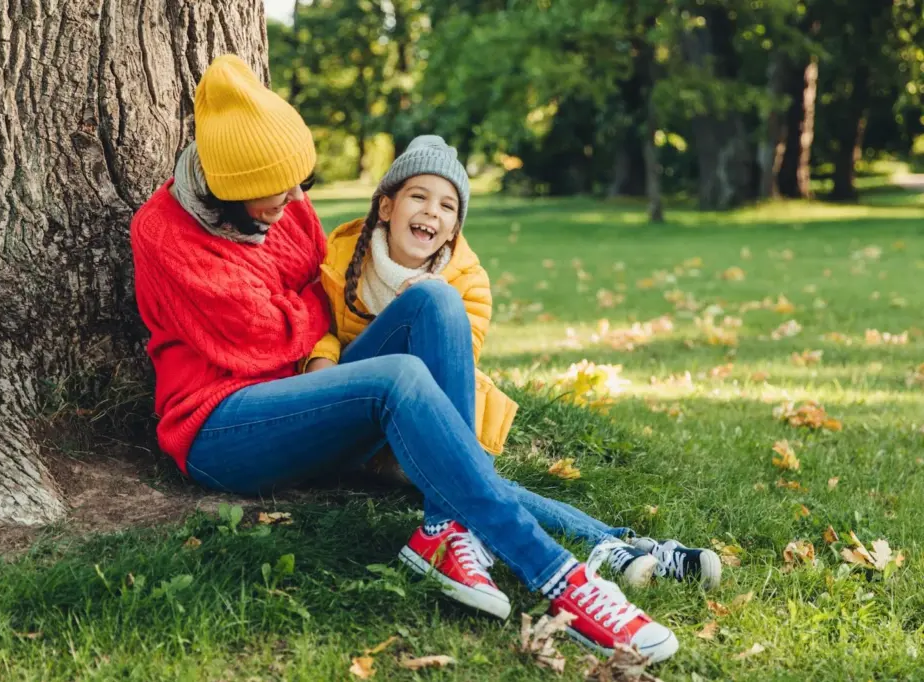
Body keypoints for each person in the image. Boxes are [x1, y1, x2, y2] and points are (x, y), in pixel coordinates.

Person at [131, 53, 682, 663]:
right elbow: (262, 340)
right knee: (398, 379)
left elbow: (314, 297)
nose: (294, 201)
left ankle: (449, 530)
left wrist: (299, 312)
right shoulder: (164, 233)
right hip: (223, 427)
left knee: (436, 303)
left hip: (316, 401)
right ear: (229, 185)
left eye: (301, 185)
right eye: (276, 190)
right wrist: (303, 314)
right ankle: (565, 581)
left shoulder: (283, 203)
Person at [306, 134, 722, 591]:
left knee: (487, 487)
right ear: (386, 207)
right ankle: (614, 548)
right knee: (478, 485)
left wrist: (421, 308)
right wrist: (322, 365)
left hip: (417, 424)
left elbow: (452, 365)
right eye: (418, 196)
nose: (431, 212)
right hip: (354, 415)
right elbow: (316, 324)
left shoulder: (468, 283)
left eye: (447, 206)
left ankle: (620, 547)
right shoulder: (340, 256)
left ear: (454, 228)